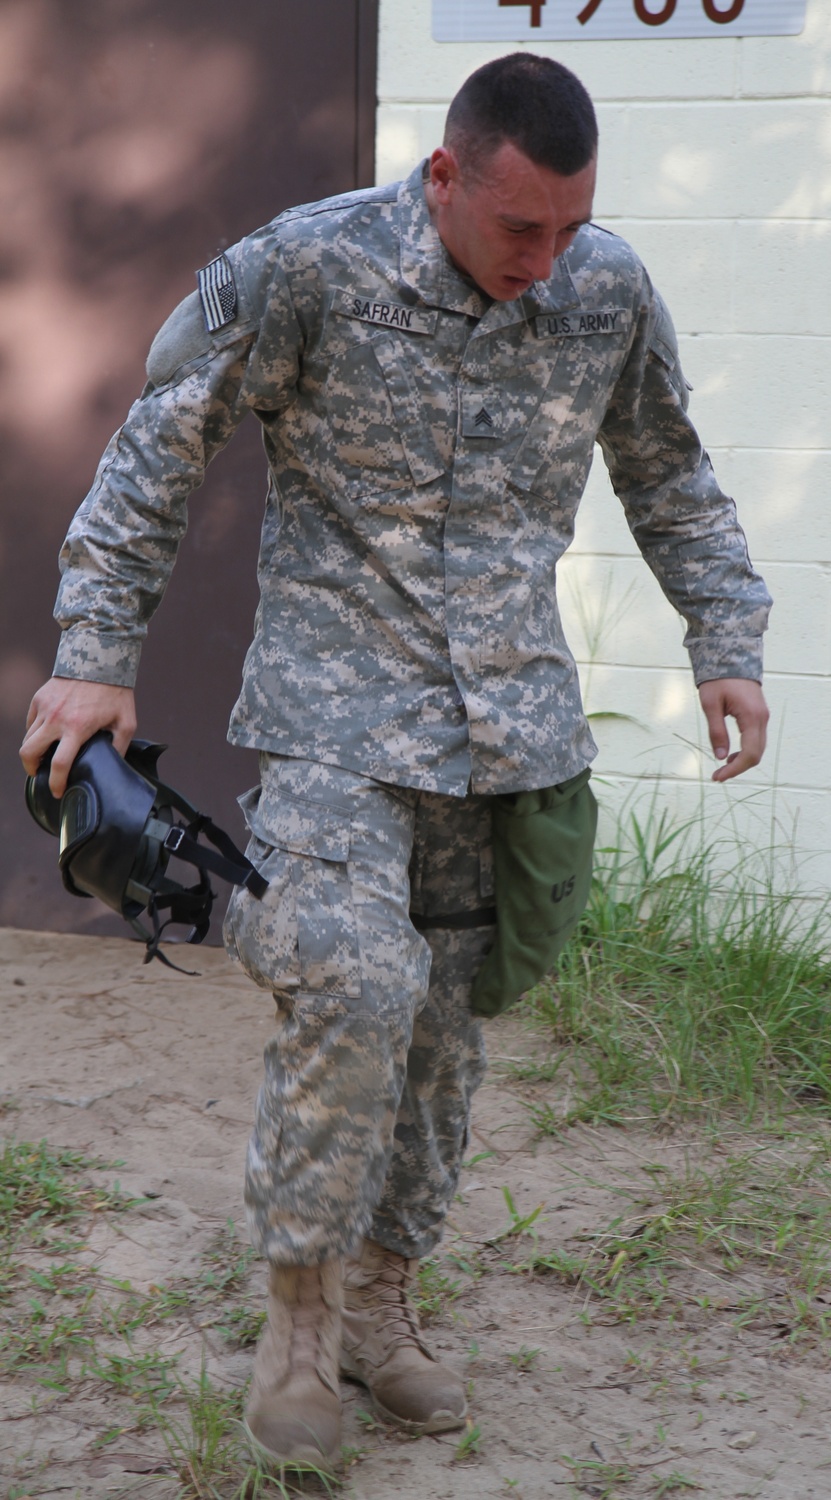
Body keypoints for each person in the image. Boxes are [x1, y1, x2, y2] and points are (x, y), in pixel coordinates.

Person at [20, 54, 771, 1473]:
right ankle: (298, 1316)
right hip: (333, 717)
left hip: (504, 742)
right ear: (444, 179)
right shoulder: (303, 269)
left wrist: (725, 637)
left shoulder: (604, 287)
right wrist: (95, 649)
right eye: (516, 232)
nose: (545, 263)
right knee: (357, 983)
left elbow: (669, 469)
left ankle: (381, 1300)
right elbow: (154, 448)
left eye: (569, 228)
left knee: (440, 1037)